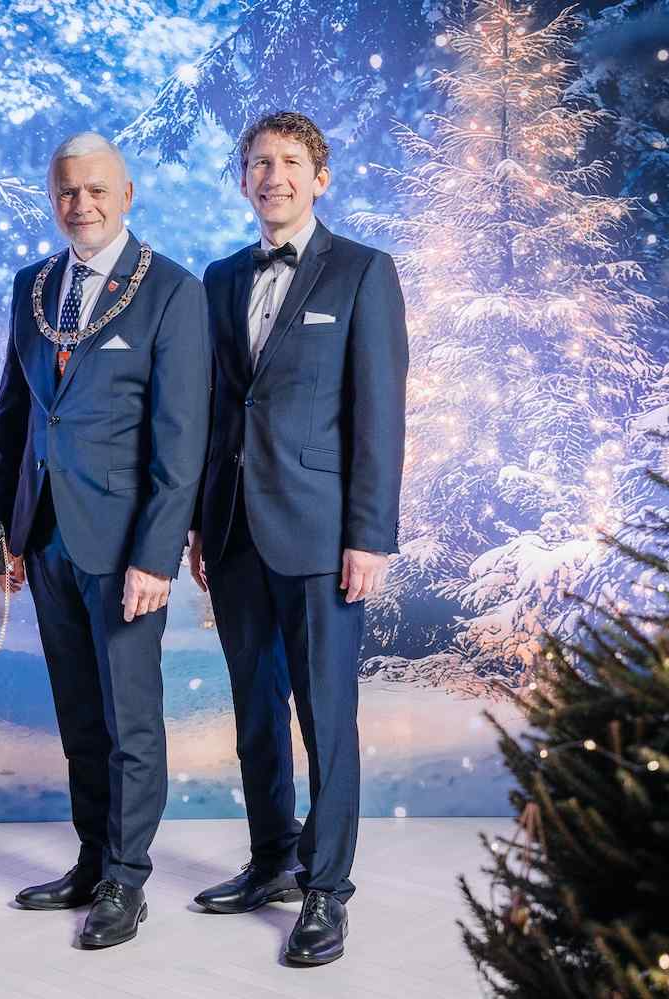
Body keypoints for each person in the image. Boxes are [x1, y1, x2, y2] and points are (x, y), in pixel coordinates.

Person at [187, 111, 409, 966]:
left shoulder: (361, 271)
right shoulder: (218, 278)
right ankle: (271, 858)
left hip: (322, 535)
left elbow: (378, 413)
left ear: (320, 177)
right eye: (257, 163)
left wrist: (369, 535)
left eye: (287, 162)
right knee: (254, 713)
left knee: (325, 717)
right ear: (242, 179)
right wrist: (200, 521)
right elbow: (215, 410)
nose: (271, 176)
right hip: (234, 529)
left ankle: (326, 888)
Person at [0, 132, 210, 949]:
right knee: (79, 716)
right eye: (66, 191)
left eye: (94, 190)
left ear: (126, 195)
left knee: (129, 721)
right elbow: (14, 417)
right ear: (53, 198)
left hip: (123, 549)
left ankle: (126, 876)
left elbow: (180, 439)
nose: (79, 204)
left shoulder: (172, 291)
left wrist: (156, 554)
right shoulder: (32, 286)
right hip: (45, 536)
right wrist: (7, 532)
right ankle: (90, 858)